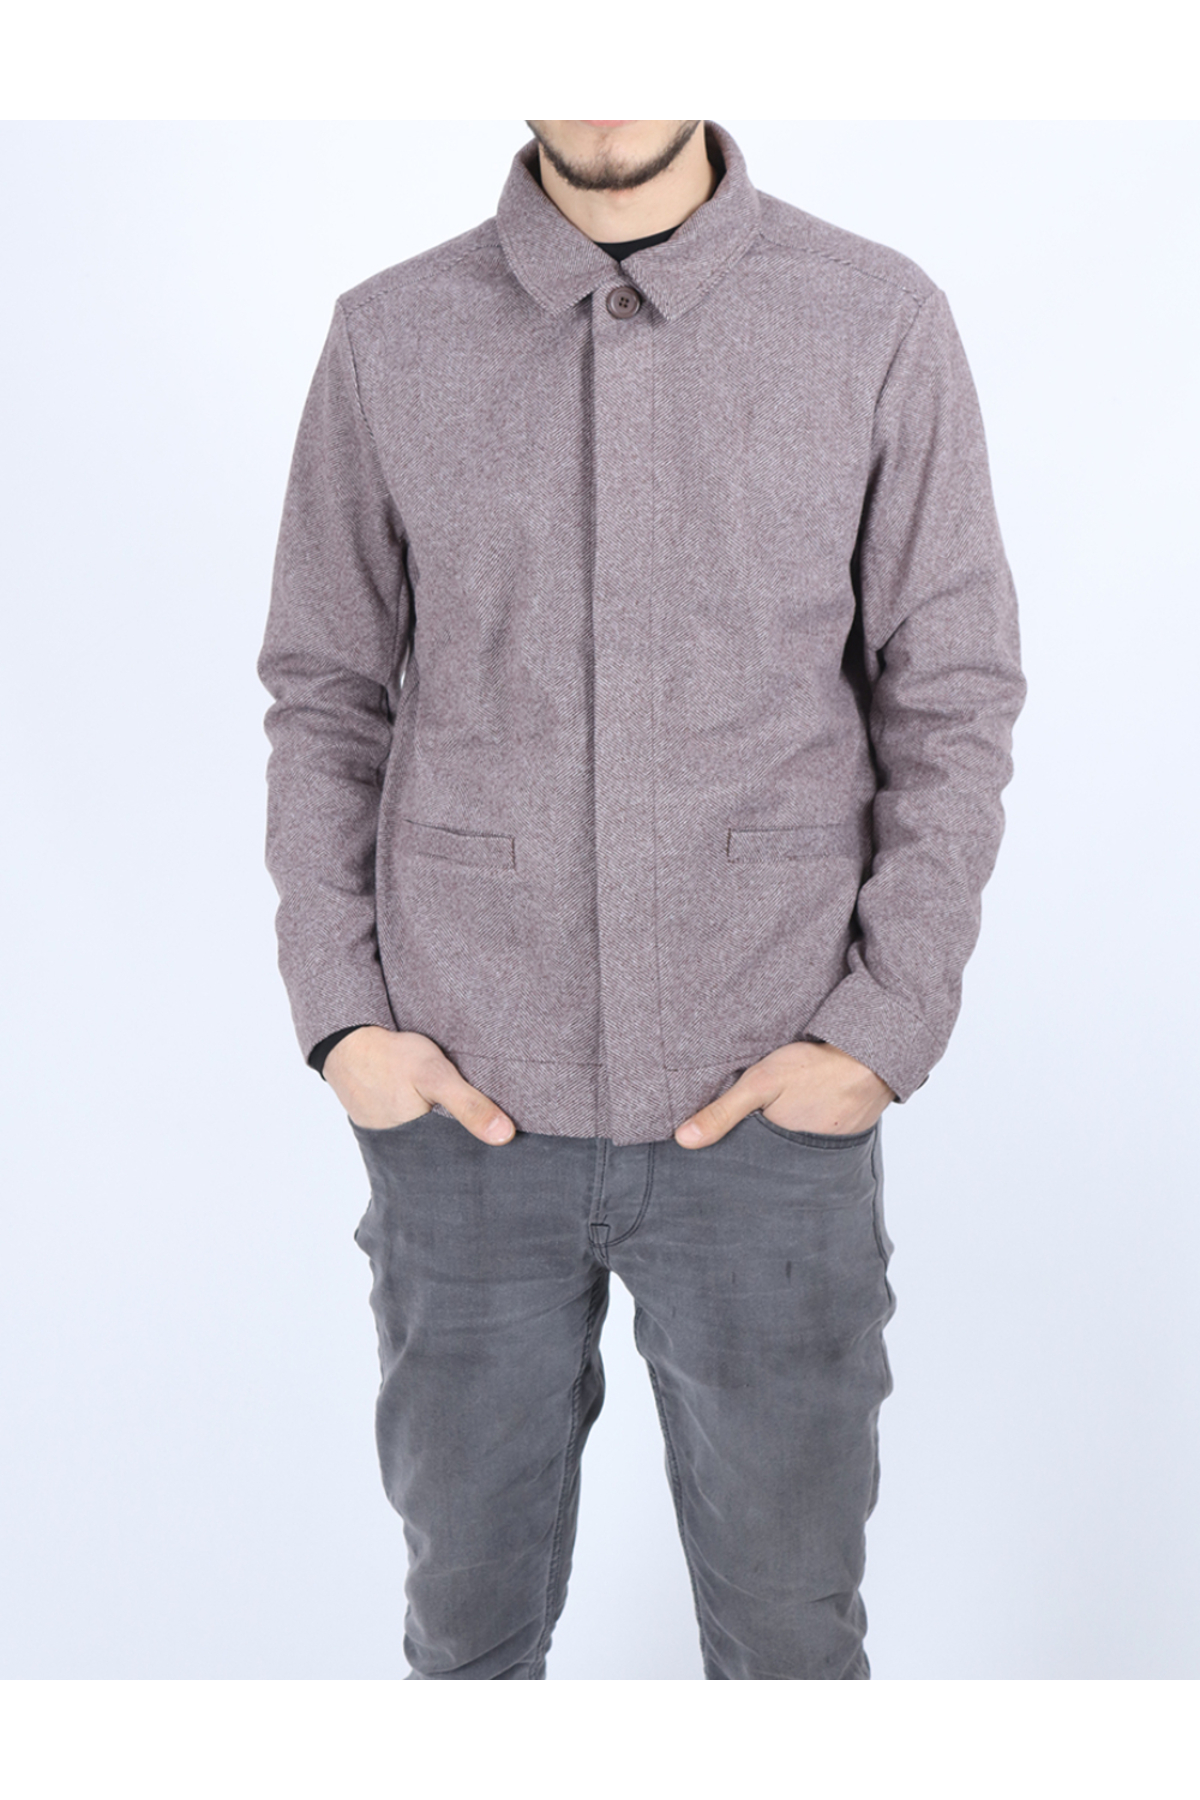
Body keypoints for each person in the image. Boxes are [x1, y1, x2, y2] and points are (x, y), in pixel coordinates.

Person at [258, 119, 1025, 1680]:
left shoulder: (875, 319)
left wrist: (880, 1032)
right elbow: (325, 694)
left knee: (790, 1650)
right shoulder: (390, 334)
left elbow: (952, 697)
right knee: (465, 1650)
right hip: (462, 1114)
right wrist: (343, 1019)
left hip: (770, 1108)